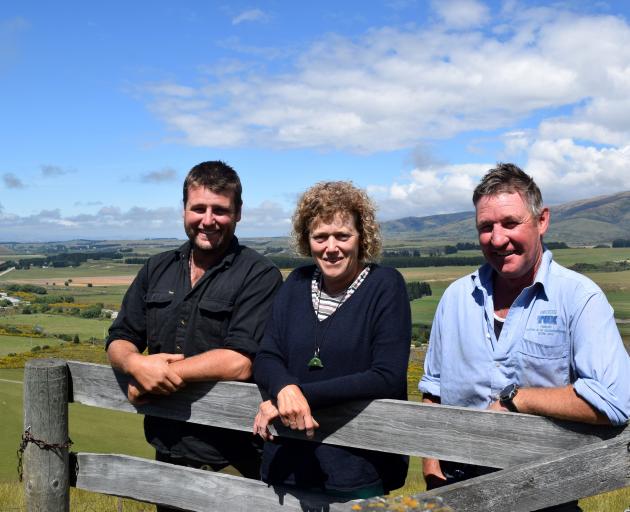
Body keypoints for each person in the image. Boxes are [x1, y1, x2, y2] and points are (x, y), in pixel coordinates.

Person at [419, 163, 630, 511]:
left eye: (510, 223)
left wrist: (519, 399)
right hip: (457, 489)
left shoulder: (578, 298)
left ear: (542, 221)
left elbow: (615, 401)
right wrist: (431, 471)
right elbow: (434, 391)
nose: (497, 239)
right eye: (486, 227)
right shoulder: (456, 298)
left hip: (545, 491)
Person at [106, 161, 283, 510]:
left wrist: (156, 376)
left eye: (220, 210)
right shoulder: (157, 268)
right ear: (184, 209)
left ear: (238, 213)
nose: (207, 219)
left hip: (234, 457)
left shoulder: (259, 276)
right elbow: (120, 335)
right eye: (198, 208)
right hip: (167, 447)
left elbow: (240, 361)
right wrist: (134, 363)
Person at [252, 181, 411, 500]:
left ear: (362, 237)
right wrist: (285, 388)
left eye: (342, 235)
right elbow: (267, 355)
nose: (331, 247)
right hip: (289, 467)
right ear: (306, 240)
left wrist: (302, 395)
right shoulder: (295, 284)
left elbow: (386, 377)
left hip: (357, 468)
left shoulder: (385, 286)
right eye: (320, 237)